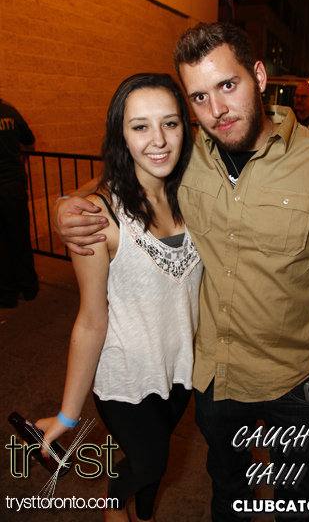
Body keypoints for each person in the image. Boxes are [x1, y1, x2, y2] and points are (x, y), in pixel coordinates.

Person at [53, 24, 309, 522]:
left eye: (228, 85)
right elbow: (123, 171)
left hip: (292, 381)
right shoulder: (187, 154)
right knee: (228, 495)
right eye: (199, 97)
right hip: (214, 379)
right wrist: (67, 204)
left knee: (298, 507)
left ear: (258, 76)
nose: (216, 109)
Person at [36, 73, 203, 522]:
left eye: (170, 123)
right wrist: (68, 415)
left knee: (154, 463)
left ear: (185, 128)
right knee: (151, 463)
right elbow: (91, 319)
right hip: (125, 378)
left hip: (180, 369)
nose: (158, 140)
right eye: (140, 126)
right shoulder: (97, 218)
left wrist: (61, 198)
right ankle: (112, 505)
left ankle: (142, 517)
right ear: (121, 135)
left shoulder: (193, 193)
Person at [0, 98, 39, 308]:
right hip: (14, 186)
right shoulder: (11, 112)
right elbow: (29, 143)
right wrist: (19, 163)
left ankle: (7, 295)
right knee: (20, 237)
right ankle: (29, 287)